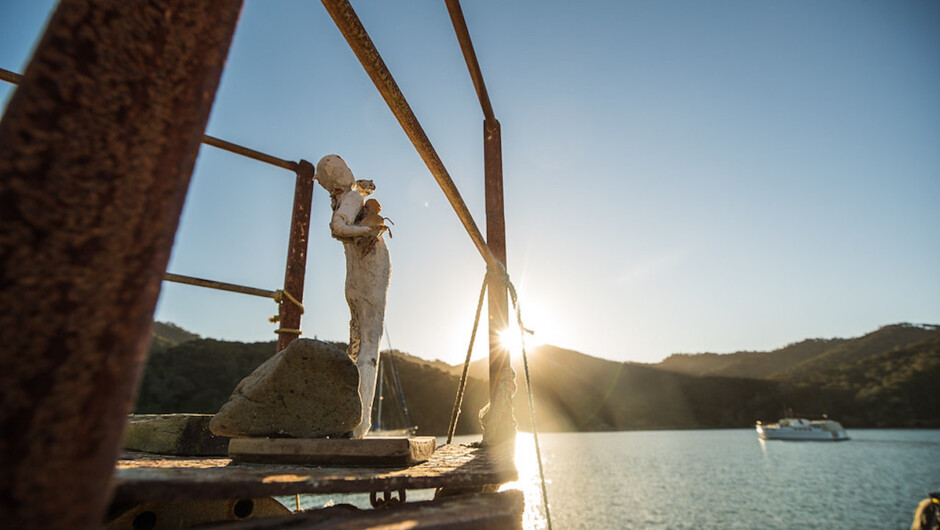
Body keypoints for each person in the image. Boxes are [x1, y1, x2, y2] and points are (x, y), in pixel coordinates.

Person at [315, 155, 391, 438]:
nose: (348, 168)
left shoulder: (348, 196)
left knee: (358, 347)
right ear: (338, 174)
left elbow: (355, 202)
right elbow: (338, 227)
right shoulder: (350, 200)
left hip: (356, 280)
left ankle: (350, 417)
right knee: (370, 348)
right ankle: (361, 423)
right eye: (342, 166)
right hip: (369, 278)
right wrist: (367, 230)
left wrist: (363, 191)